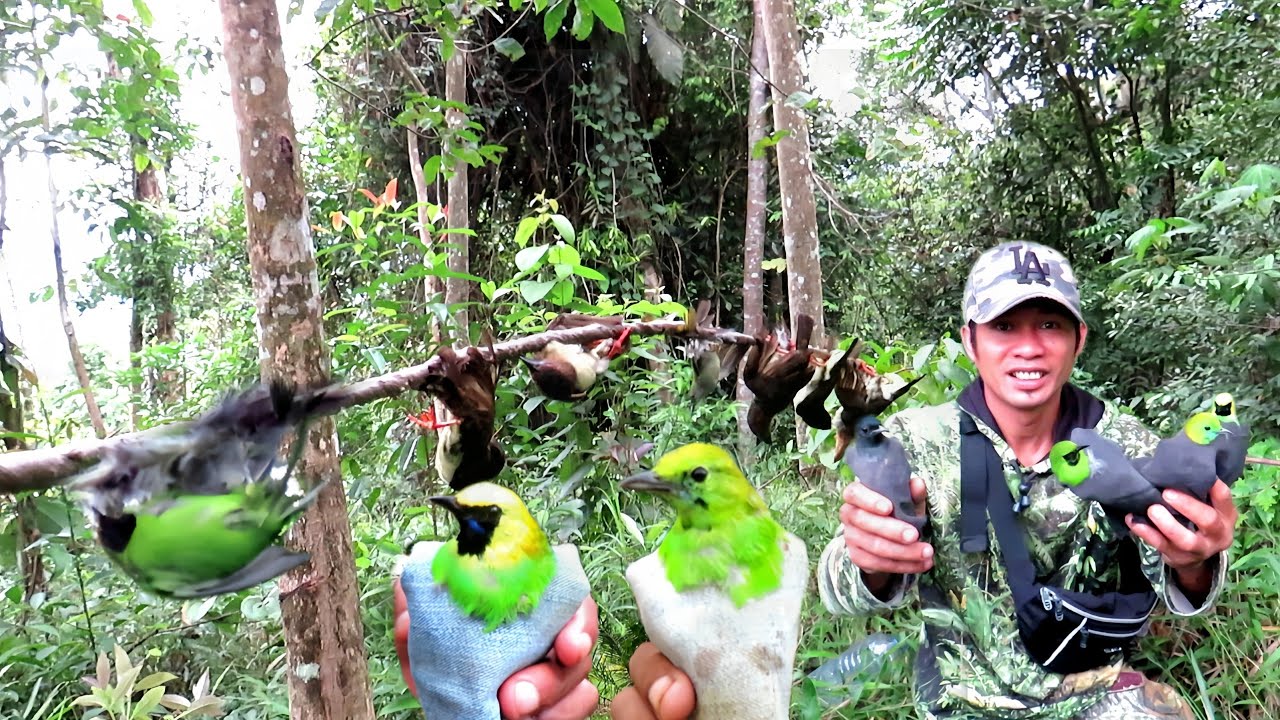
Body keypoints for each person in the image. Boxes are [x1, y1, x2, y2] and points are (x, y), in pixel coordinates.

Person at [396, 240, 1237, 719]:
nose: (1027, 345)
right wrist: (872, 560)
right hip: (961, 705)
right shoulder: (911, 440)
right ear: (972, 339)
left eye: (1049, 324)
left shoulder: (1129, 443)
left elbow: (1176, 580)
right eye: (1004, 324)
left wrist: (1197, 556)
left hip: (1092, 696)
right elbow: (839, 583)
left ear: (1077, 340)